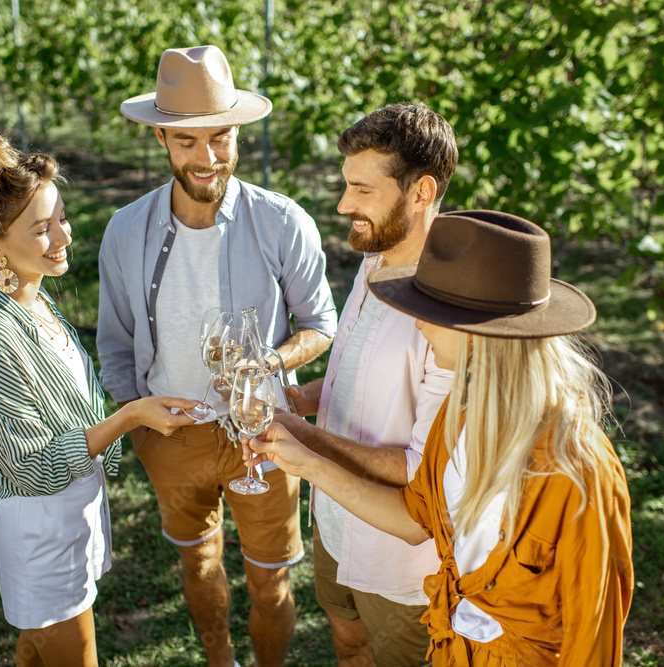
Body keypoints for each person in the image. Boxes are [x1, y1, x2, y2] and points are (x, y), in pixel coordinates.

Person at [247, 210, 635, 665]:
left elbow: (594, 633)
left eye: (431, 312)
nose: (418, 325)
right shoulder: (461, 414)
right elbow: (415, 519)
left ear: (479, 332)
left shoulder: (575, 467)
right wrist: (306, 463)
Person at [96, 45, 337, 667]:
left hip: (266, 434)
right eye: (188, 142)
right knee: (197, 560)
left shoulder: (285, 223)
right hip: (173, 435)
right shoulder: (125, 230)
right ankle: (218, 660)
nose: (208, 158)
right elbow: (116, 340)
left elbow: (320, 325)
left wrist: (272, 365)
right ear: (161, 138)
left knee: (270, 581)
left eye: (221, 138)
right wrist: (139, 418)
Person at [0, 132, 196, 667]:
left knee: (37, 651)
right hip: (41, 532)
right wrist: (130, 416)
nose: (63, 234)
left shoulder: (36, 306)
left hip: (74, 513)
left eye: (61, 216)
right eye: (42, 228)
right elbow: (32, 465)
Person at [277, 102, 457, 666]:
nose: (343, 204)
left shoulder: (453, 309)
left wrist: (299, 440)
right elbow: (351, 375)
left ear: (421, 192)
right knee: (347, 643)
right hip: (332, 521)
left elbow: (418, 468)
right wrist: (298, 399)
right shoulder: (375, 256)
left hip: (400, 561)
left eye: (363, 190)